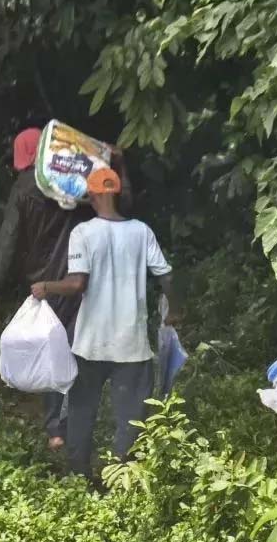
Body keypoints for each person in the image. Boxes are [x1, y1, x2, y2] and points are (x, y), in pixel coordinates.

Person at [0, 128, 132, 451]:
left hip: (45, 285)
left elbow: (7, 243)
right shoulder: (75, 184)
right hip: (80, 278)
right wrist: (118, 166)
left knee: (54, 348)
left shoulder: (22, 189)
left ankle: (56, 429)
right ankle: (82, 421)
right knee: (77, 347)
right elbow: (119, 208)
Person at [31, 168, 179, 480]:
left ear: (94, 195)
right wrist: (175, 310)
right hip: (131, 343)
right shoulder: (141, 230)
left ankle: (81, 475)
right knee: (131, 418)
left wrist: (46, 286)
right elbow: (165, 275)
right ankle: (120, 476)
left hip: (91, 342)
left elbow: (76, 284)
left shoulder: (83, 233)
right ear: (114, 193)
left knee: (82, 410)